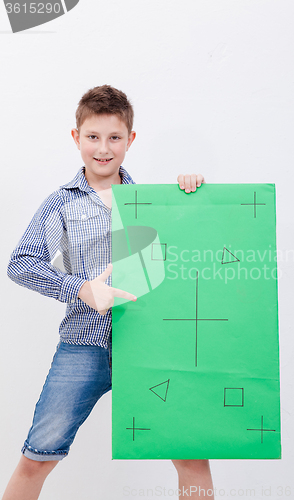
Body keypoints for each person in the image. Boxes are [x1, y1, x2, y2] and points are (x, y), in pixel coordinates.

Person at [2, 85, 213, 500]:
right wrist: (79, 288)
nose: (103, 148)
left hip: (148, 342)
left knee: (191, 453)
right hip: (84, 345)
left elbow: (192, 248)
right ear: (76, 138)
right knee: (38, 455)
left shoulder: (154, 202)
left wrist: (194, 192)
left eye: (114, 138)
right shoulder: (60, 204)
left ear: (130, 140)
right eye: (93, 137)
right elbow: (20, 263)